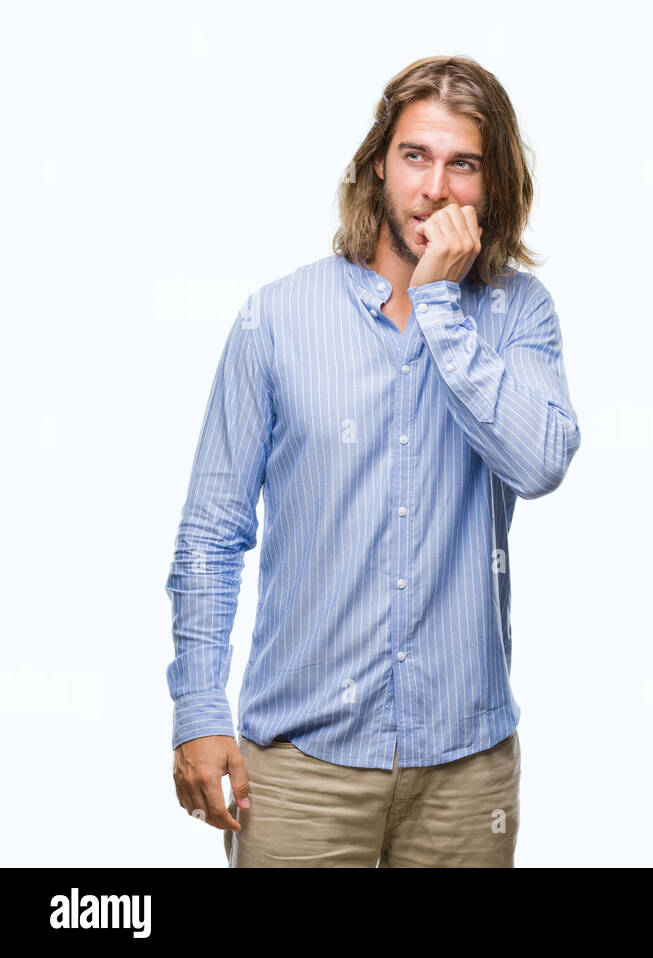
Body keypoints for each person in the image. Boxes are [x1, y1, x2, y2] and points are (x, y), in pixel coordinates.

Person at [166, 55, 580, 867]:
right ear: (376, 166)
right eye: (416, 156)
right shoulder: (276, 320)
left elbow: (539, 464)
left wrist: (439, 305)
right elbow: (212, 532)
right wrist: (198, 710)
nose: (435, 187)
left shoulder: (519, 314)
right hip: (298, 772)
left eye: (463, 164)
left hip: (467, 774)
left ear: (492, 187)